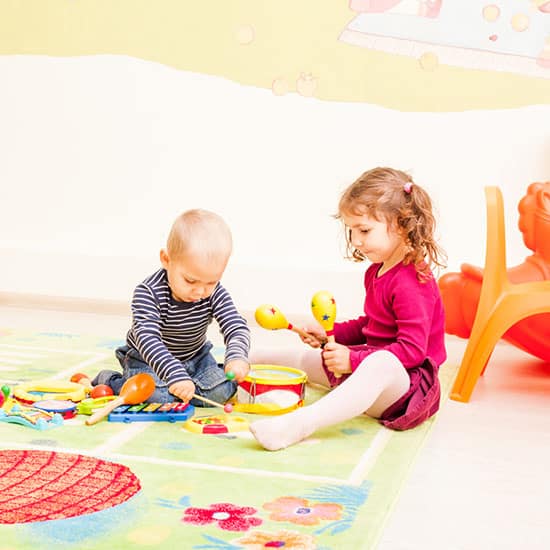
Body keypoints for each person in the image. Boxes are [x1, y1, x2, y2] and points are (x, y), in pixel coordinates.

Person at [249, 167, 447, 450]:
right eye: (352, 231)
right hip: (371, 368)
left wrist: (354, 361)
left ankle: (297, 425)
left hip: (407, 388)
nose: (355, 241)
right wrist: (334, 334)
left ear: (402, 224)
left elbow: (412, 351)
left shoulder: (413, 281)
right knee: (311, 360)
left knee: (379, 364)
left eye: (364, 230)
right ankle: (241, 358)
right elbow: (372, 324)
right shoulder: (376, 271)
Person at [92, 209, 251, 406]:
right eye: (190, 280)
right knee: (158, 397)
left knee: (221, 391)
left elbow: (236, 326)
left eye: (211, 282)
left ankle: (192, 383)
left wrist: (236, 357)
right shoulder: (148, 292)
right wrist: (174, 373)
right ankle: (111, 381)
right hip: (148, 360)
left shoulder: (214, 292)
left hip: (195, 358)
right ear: (167, 260)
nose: (200, 291)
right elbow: (147, 338)